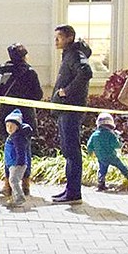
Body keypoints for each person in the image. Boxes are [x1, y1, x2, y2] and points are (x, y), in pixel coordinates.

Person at [0, 43, 43, 198]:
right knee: (25, 150)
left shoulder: (2, 72)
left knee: (9, 150)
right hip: (24, 115)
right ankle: (25, 184)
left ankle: (8, 184)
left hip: (5, 115)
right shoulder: (30, 72)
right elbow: (38, 95)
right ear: (24, 55)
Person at [50, 24, 93, 204]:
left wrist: (67, 91)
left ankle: (74, 192)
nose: (56, 41)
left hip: (70, 109)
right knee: (68, 151)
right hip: (65, 109)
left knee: (72, 151)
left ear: (69, 38)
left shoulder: (75, 54)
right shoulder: (69, 54)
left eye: (59, 37)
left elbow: (85, 72)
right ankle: (70, 189)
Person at [87, 112, 128, 192]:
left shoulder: (94, 135)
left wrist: (90, 152)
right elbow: (116, 145)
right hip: (111, 156)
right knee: (121, 166)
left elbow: (89, 145)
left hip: (101, 157)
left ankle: (101, 183)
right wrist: (120, 142)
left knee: (102, 169)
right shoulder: (111, 135)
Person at [3, 109, 33, 207]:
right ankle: (15, 196)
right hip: (12, 163)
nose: (9, 128)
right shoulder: (12, 136)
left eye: (12, 126)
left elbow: (20, 151)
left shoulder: (17, 138)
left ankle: (19, 197)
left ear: (18, 126)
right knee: (13, 180)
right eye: (7, 126)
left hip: (17, 164)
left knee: (13, 180)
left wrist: (19, 162)